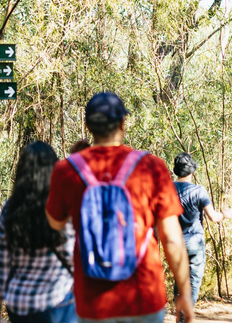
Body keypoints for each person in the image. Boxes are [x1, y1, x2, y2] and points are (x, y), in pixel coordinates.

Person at [46, 91, 194, 323]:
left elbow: (54, 223)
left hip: (92, 301)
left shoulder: (67, 170)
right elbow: (172, 239)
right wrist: (184, 292)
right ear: (123, 122)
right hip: (144, 296)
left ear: (87, 126)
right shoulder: (151, 166)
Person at [0, 141, 76, 323]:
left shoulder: (10, 209)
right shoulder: (62, 207)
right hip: (58, 303)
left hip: (19, 307)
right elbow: (73, 257)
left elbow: (1, 267)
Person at [173, 152, 232, 305]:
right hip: (194, 242)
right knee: (193, 283)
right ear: (192, 171)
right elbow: (213, 217)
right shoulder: (199, 191)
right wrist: (225, 214)